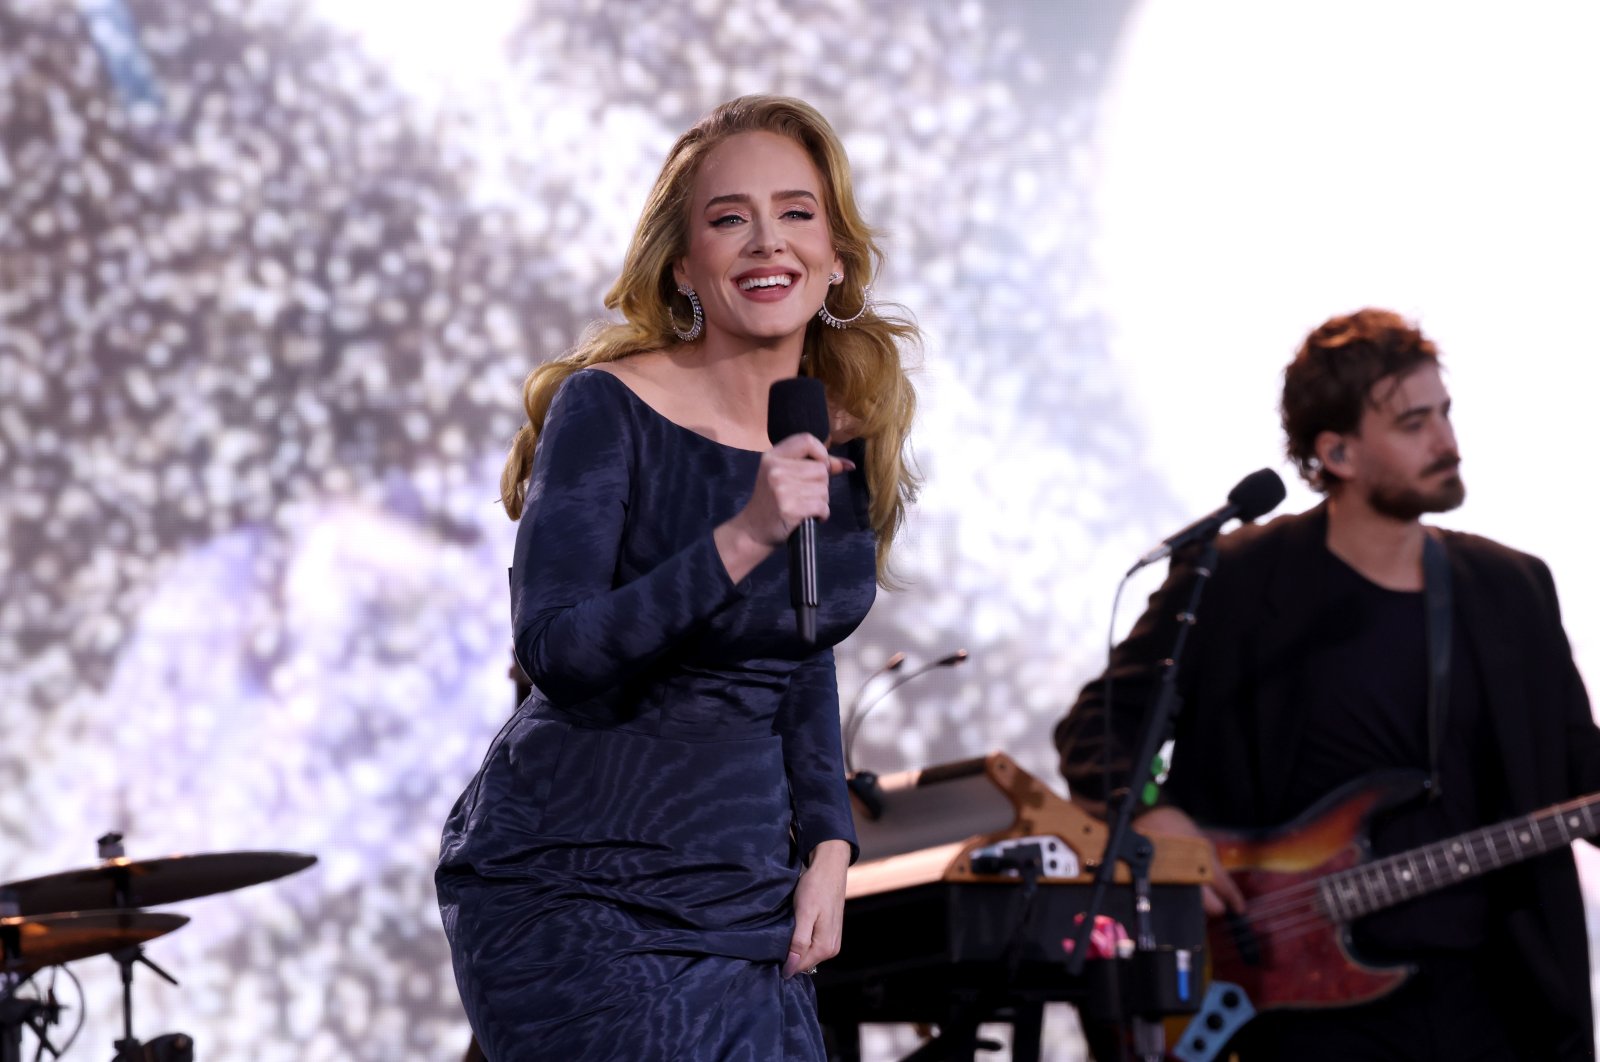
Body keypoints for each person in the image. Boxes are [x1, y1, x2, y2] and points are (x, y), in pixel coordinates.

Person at [435, 95, 919, 1061]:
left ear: (833, 255)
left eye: (795, 213)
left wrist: (829, 849)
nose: (764, 241)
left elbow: (801, 652)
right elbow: (559, 651)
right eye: (728, 217)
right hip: (578, 881)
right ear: (685, 261)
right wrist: (744, 534)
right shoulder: (605, 407)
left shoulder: (840, 427)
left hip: (746, 895)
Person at [1055, 308, 1600, 1061]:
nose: (1448, 443)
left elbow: (1579, 769)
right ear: (1336, 451)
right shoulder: (1235, 577)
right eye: (1415, 424)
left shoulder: (1510, 588)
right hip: (1283, 1002)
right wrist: (1150, 817)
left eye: (1444, 413)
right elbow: (1099, 724)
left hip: (1493, 1004)